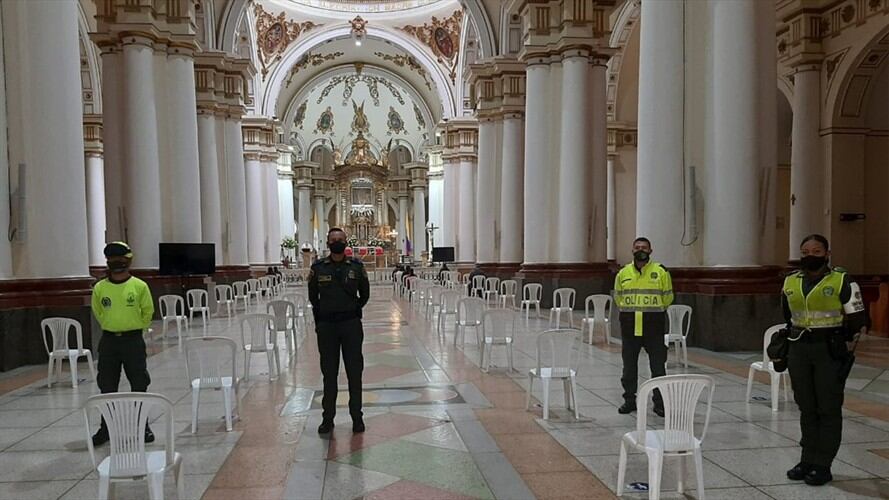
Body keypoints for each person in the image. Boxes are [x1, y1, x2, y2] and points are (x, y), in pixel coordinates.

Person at [779, 234, 868, 486]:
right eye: (805, 251)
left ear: (827, 254)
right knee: (806, 405)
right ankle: (806, 458)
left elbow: (857, 318)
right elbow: (787, 314)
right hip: (798, 349)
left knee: (827, 407)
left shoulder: (842, 280)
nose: (810, 256)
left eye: (816, 251)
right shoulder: (790, 281)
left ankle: (822, 463)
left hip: (828, 349)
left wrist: (845, 347)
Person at [90, 241, 156, 445]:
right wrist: (113, 325)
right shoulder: (100, 287)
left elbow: (148, 312)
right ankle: (106, 428)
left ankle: (142, 426)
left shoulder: (139, 286)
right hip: (109, 342)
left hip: (133, 341)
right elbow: (98, 312)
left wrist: (134, 327)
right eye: (112, 260)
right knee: (107, 385)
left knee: (139, 383)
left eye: (121, 260)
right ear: (108, 262)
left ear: (128, 261)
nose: (117, 263)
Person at [308, 228, 371, 434]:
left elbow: (365, 294)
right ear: (328, 243)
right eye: (333, 240)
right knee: (329, 373)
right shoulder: (318, 268)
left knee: (354, 372)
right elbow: (313, 297)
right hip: (327, 327)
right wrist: (323, 317)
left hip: (350, 325)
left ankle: (357, 417)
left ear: (346, 243)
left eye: (340, 240)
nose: (337, 242)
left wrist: (352, 309)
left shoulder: (356, 266)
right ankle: (328, 418)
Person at [613, 237, 672, 417]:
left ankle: (659, 403)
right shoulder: (623, 273)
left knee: (658, 367)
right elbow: (618, 296)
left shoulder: (661, 272)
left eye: (644, 248)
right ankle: (630, 401)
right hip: (630, 327)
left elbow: (668, 297)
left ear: (650, 251)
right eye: (637, 247)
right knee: (629, 367)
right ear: (632, 251)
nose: (641, 250)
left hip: (653, 327)